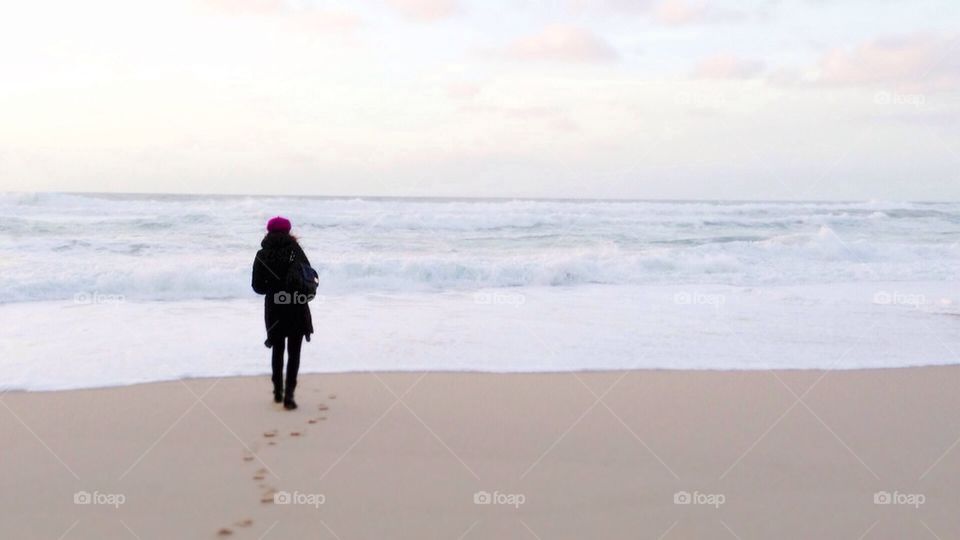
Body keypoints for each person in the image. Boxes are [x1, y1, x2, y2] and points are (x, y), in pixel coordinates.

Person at [251, 216, 313, 410]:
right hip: (296, 305)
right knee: (294, 352)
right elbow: (308, 276)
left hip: (274, 308)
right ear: (288, 231)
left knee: (277, 350)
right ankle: (289, 397)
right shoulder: (296, 251)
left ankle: (277, 392)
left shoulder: (262, 254)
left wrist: (272, 287)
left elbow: (257, 287)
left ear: (268, 232)